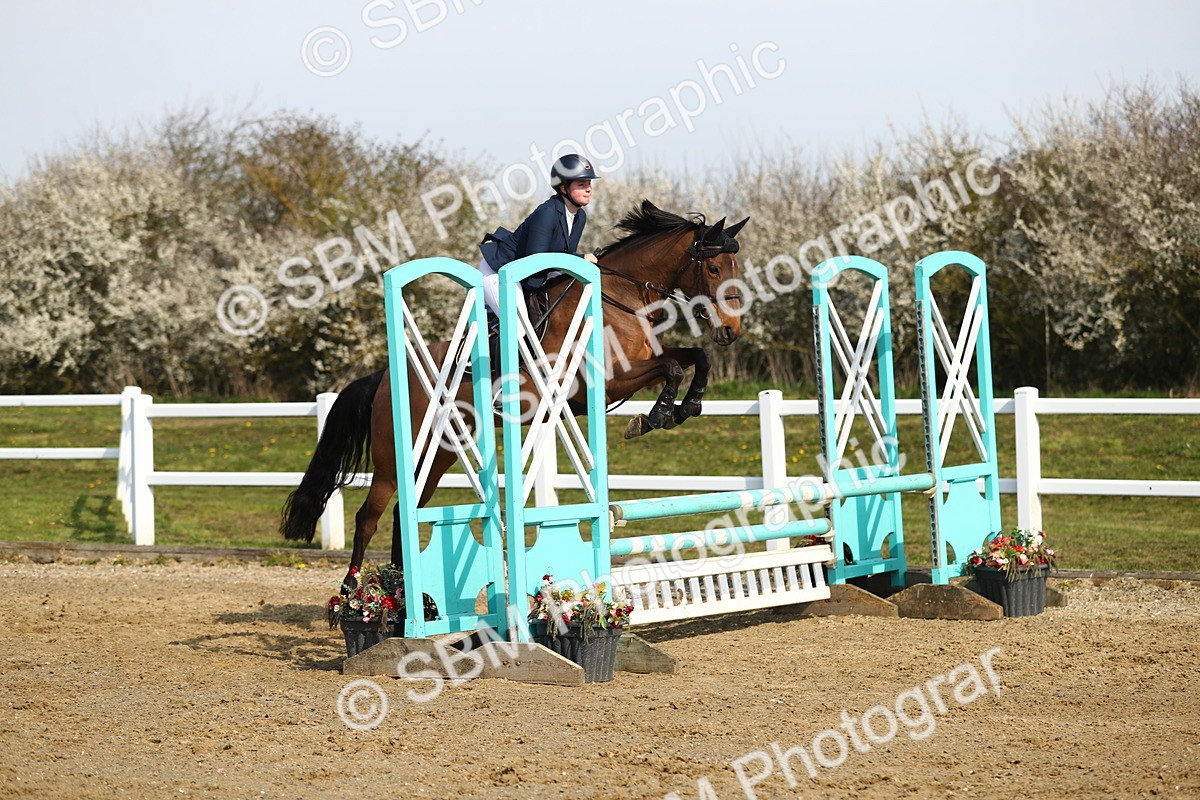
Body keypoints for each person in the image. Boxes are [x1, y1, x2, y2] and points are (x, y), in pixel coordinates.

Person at [478, 153, 600, 316]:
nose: (588, 189)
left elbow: (563, 255)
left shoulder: (580, 217)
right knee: (519, 327)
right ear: (563, 188)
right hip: (499, 272)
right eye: (581, 184)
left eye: (589, 184)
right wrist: (580, 259)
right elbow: (537, 259)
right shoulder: (547, 212)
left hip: (529, 273)